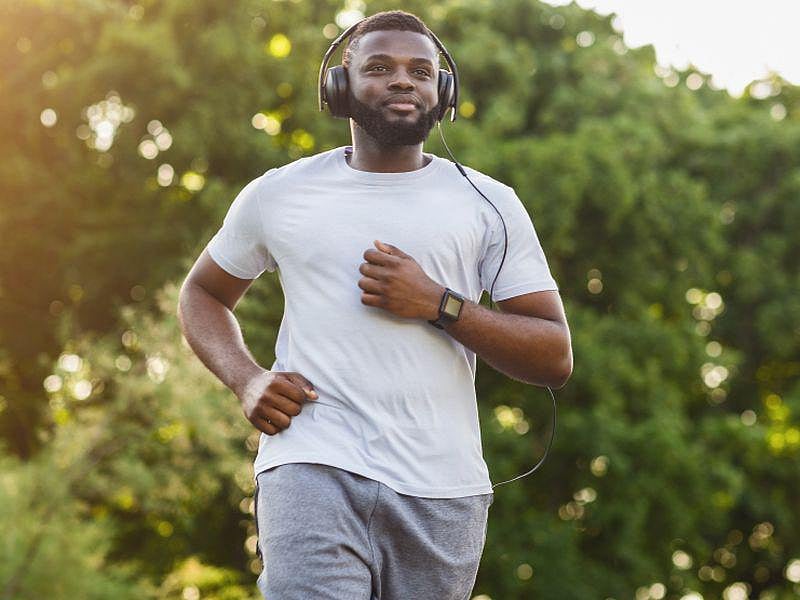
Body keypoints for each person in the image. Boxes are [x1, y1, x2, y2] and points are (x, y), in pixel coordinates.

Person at [177, 10, 572, 600]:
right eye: (379, 67)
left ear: (444, 92)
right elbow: (202, 293)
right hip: (312, 461)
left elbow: (553, 355)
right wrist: (246, 379)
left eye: (421, 71)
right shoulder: (278, 193)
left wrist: (439, 303)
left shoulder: (490, 204)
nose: (402, 81)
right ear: (340, 85)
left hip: (443, 490)